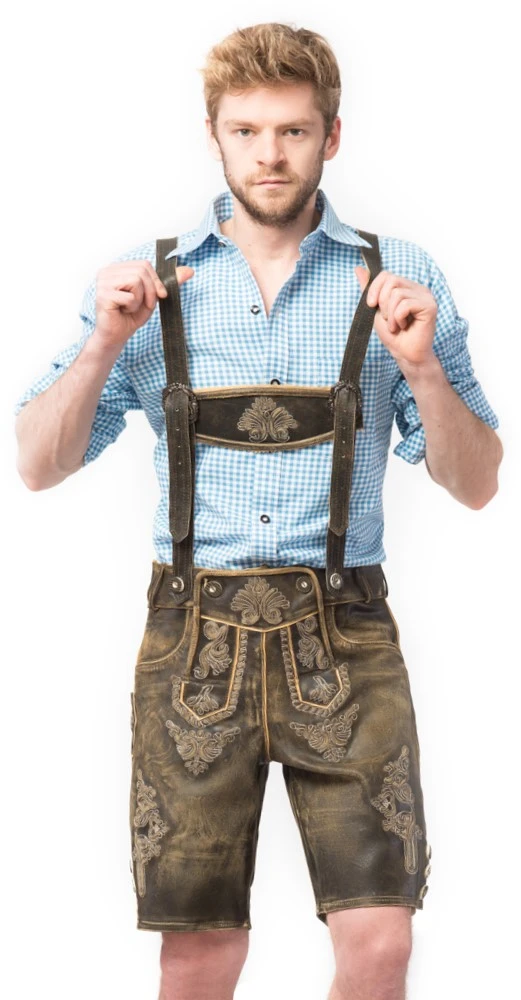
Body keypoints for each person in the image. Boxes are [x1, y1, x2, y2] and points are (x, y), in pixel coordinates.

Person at [14, 21, 502, 1000]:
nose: (269, 154)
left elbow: (477, 479)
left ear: (331, 136)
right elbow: (35, 464)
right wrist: (104, 344)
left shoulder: (397, 277)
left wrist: (418, 367)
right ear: (214, 136)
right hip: (191, 638)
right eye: (246, 131)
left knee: (378, 942)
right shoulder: (144, 282)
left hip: (345, 631)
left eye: (291, 130)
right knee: (199, 954)